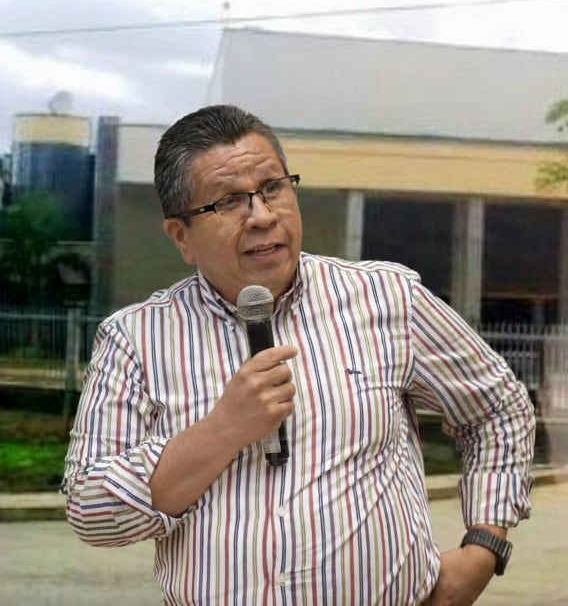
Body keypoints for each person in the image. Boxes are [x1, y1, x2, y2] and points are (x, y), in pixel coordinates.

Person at [62, 104, 535, 605]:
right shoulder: (135, 338)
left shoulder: (387, 298)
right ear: (182, 236)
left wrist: (485, 545)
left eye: (272, 188)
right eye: (227, 202)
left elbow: (498, 410)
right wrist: (221, 430)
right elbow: (92, 512)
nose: (263, 216)